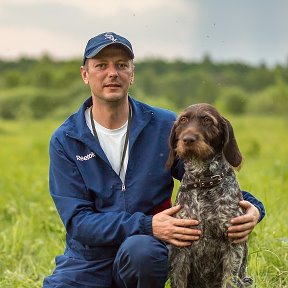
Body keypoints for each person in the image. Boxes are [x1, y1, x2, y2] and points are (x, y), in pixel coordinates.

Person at [43, 32, 265, 288]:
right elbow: (78, 222)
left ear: (132, 73)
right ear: (85, 74)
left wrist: (254, 208)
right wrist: (148, 224)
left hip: (144, 250)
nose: (112, 73)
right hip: (88, 260)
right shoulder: (67, 139)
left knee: (143, 252)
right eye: (101, 65)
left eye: (122, 65)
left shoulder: (161, 125)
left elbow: (205, 180)